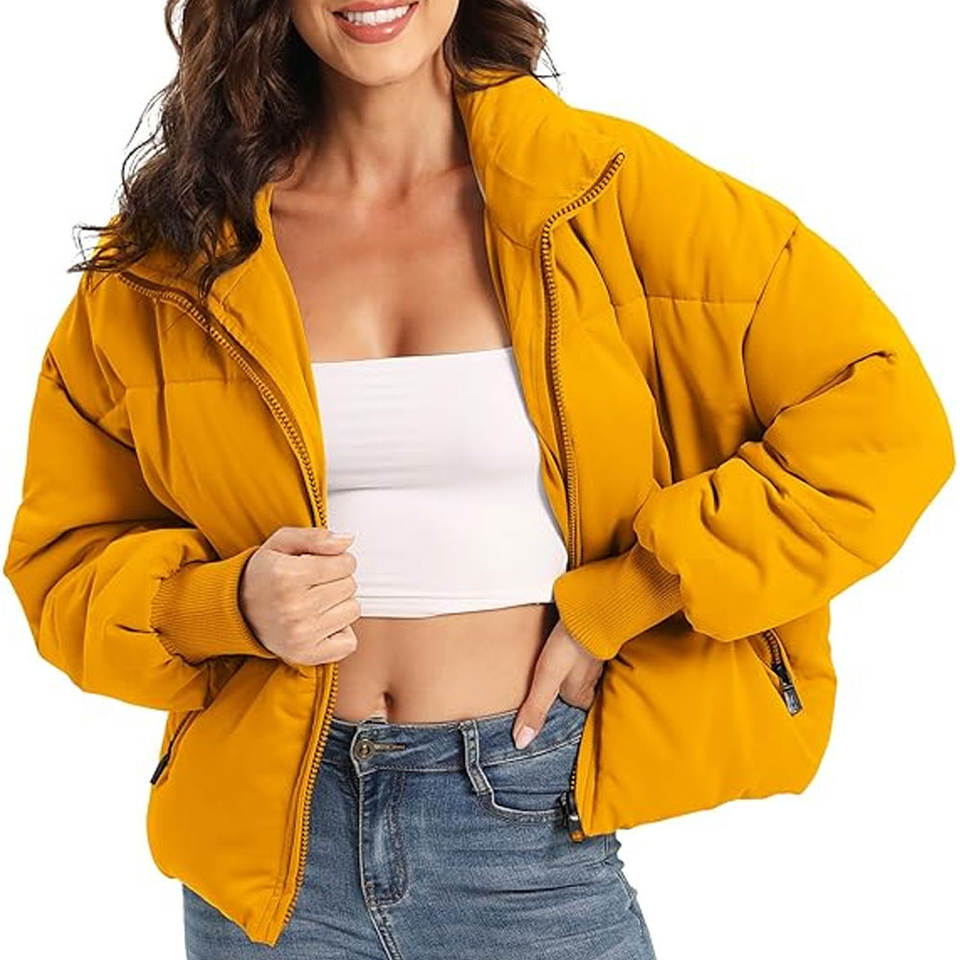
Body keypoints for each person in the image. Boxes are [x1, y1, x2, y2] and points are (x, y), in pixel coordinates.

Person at [3, 1, 953, 958]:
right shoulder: (175, 255)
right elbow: (61, 560)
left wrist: (636, 591)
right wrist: (227, 605)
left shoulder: (602, 191)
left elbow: (881, 419)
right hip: (269, 850)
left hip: (524, 820)